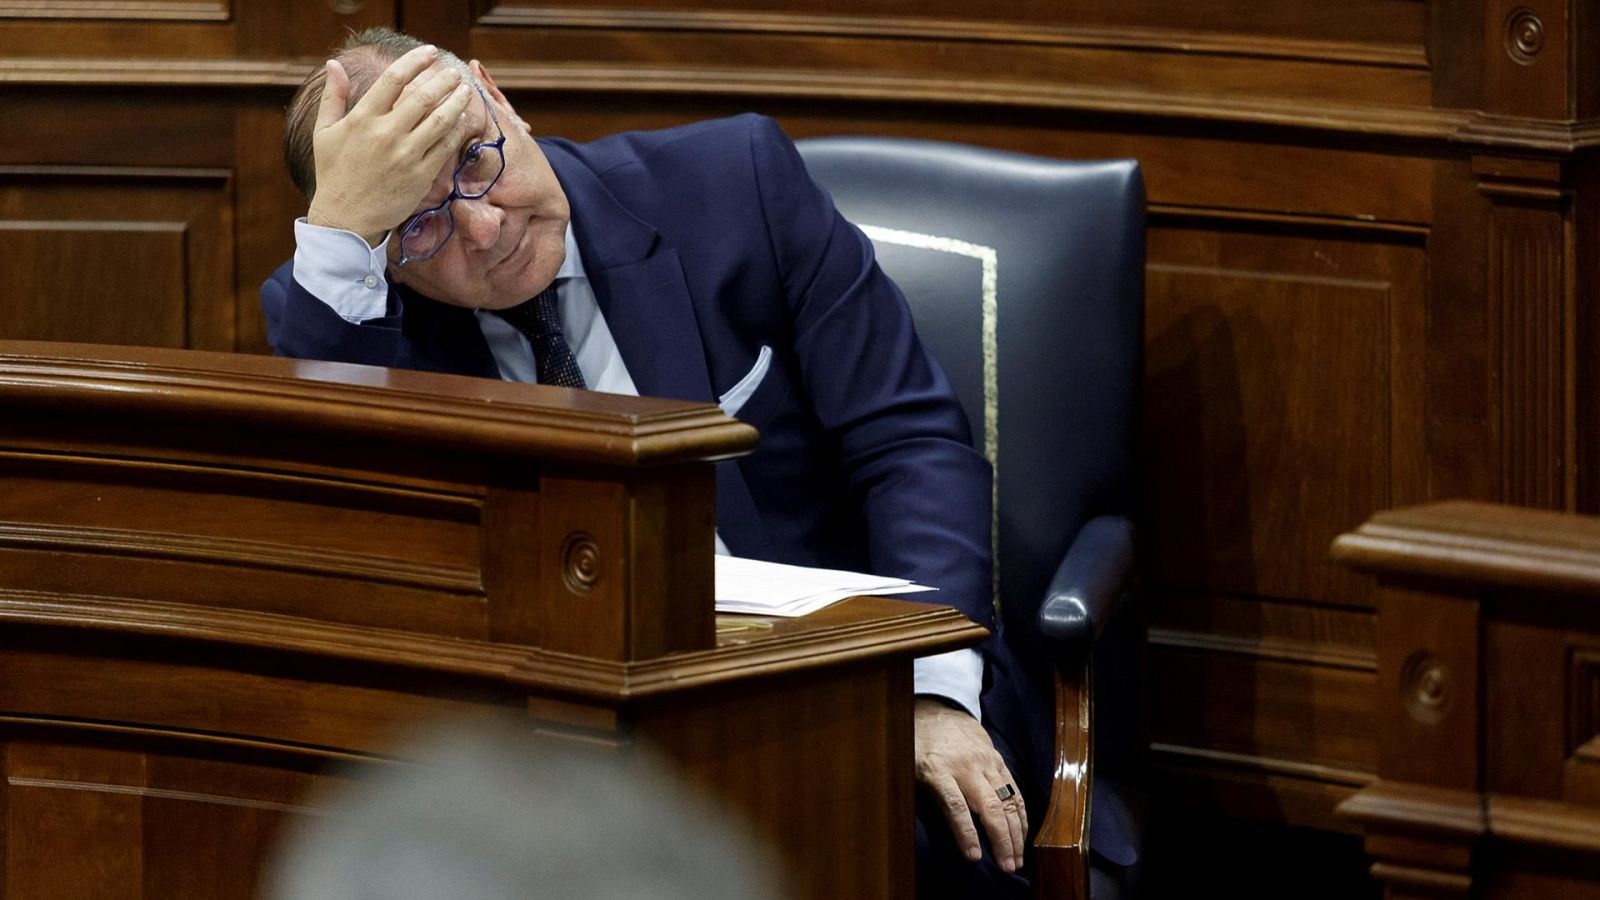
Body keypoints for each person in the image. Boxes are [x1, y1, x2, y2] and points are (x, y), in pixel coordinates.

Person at [263, 27, 1037, 897]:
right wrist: (339, 236)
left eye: (478, 162)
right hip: (563, 733)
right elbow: (343, 535)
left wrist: (927, 692)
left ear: (497, 94)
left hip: (836, 683)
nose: (483, 230)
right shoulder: (357, 316)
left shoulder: (734, 184)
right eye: (420, 220)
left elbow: (910, 443)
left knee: (929, 839)